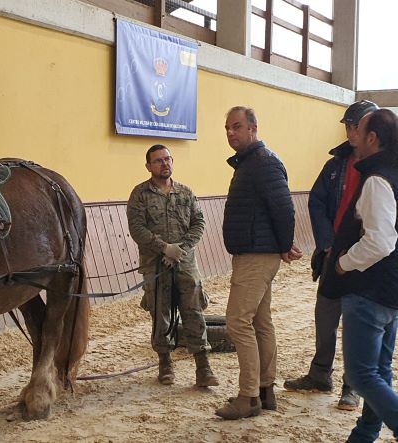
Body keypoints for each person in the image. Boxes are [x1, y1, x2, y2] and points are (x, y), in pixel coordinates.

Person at [284, 100, 379, 411]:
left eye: (357, 125)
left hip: (365, 258)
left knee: (355, 321)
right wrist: (326, 243)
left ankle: (352, 386)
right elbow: (317, 203)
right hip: (332, 254)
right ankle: (320, 373)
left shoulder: (383, 168)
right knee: (325, 316)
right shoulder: (335, 165)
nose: (351, 131)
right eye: (348, 126)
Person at [215, 106, 302, 420]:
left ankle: (248, 396)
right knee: (260, 323)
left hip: (255, 254)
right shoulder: (251, 163)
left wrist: (282, 246)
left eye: (236, 126)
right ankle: (265, 391)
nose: (231, 133)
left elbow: (285, 209)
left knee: (237, 322)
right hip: (255, 251)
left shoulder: (262, 163)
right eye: (227, 128)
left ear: (253, 128)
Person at [319, 109, 398, 442]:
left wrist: (343, 263)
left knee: (362, 375)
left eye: (358, 129)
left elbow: (380, 240)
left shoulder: (377, 179)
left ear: (372, 138)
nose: (352, 136)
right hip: (389, 290)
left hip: (369, 290)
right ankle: (365, 433)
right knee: (378, 370)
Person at [127, 144, 218, 388]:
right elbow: (137, 228)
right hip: (155, 266)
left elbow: (198, 222)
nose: (164, 163)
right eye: (158, 160)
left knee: (194, 312)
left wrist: (181, 249)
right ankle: (165, 363)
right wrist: (163, 248)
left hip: (186, 265)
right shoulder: (139, 195)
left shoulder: (186, 193)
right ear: (149, 166)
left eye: (167, 159)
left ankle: (203, 366)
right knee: (160, 314)